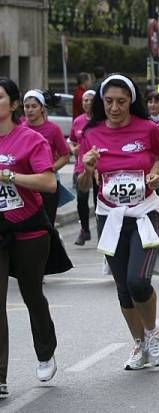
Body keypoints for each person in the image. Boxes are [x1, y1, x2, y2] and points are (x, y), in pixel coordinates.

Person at [78, 73, 159, 370]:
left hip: (145, 213)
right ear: (100, 102)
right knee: (123, 288)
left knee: (138, 281)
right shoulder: (91, 134)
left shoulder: (147, 129)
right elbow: (82, 184)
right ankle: (139, 344)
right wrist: (87, 168)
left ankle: (153, 332)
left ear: (131, 101)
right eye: (108, 102)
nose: (115, 108)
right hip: (110, 217)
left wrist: (157, 172)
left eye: (121, 101)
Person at [0, 77, 60, 398]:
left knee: (31, 294)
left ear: (12, 104)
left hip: (29, 228)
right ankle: (0, 377)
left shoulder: (30, 139)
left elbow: (49, 183)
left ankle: (45, 349)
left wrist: (9, 175)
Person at [23, 90, 70, 225]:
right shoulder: (20, 129)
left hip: (46, 185)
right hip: (25, 184)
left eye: (34, 106)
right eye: (27, 106)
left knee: (47, 225)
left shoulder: (53, 129)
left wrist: (48, 170)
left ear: (42, 108)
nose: (30, 110)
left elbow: (65, 156)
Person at [70, 89, 98, 245]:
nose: (87, 103)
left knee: (98, 199)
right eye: (85, 100)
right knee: (81, 199)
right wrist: (72, 148)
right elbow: (72, 140)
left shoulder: (101, 120)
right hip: (81, 166)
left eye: (90, 100)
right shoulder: (78, 121)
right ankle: (85, 230)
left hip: (99, 166)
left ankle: (102, 229)